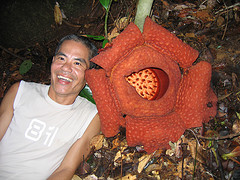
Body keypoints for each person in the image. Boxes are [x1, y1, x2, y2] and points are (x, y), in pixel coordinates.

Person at [0, 34, 101, 180]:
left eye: (77, 63)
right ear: (53, 61)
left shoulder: (90, 116)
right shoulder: (20, 91)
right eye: (61, 58)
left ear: (89, 74)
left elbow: (66, 169)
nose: (66, 68)